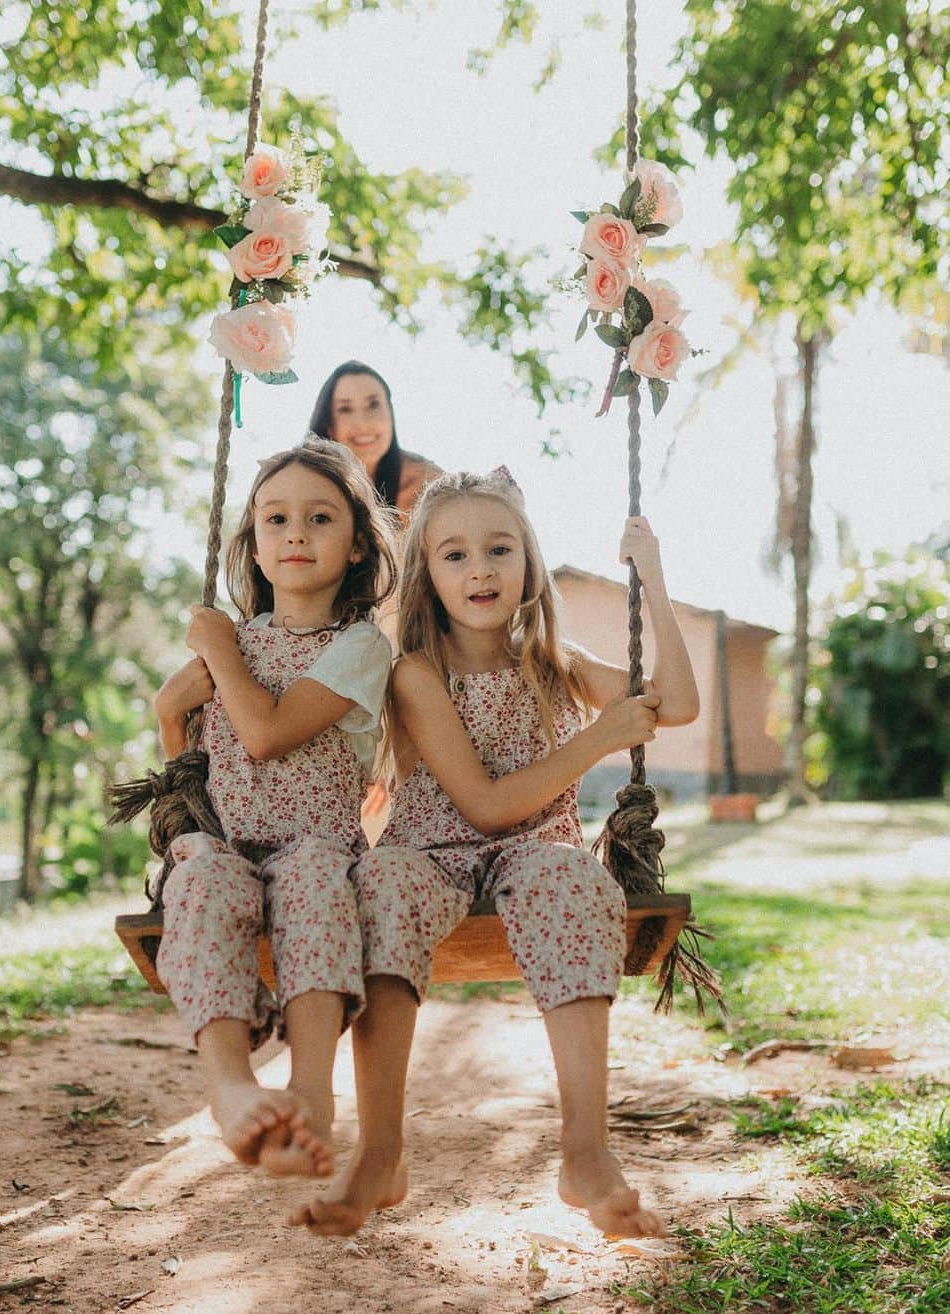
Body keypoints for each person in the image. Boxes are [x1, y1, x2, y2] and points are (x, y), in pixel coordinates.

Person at [290, 467, 699, 1238]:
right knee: (376, 884)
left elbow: (675, 703)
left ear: (529, 564)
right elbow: (481, 804)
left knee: (573, 878)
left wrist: (654, 578)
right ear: (427, 576)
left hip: (534, 854)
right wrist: (599, 739)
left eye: (499, 549)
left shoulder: (555, 658)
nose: (479, 569)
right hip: (428, 855)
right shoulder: (415, 671)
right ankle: (381, 1152)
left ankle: (585, 1152)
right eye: (453, 555)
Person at [153, 436, 397, 1180]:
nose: (295, 533)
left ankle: (312, 1091)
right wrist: (169, 714)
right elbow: (190, 773)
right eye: (275, 519)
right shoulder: (232, 642)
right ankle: (229, 1085)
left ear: (357, 546)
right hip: (229, 847)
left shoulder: (358, 646)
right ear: (253, 547)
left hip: (314, 844)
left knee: (317, 879)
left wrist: (219, 657)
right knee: (196, 874)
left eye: (320, 518)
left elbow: (263, 734)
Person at [308, 360, 441, 521]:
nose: (363, 424)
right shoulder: (304, 486)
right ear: (329, 425)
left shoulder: (429, 485)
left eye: (373, 405)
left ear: (390, 413)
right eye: (345, 409)